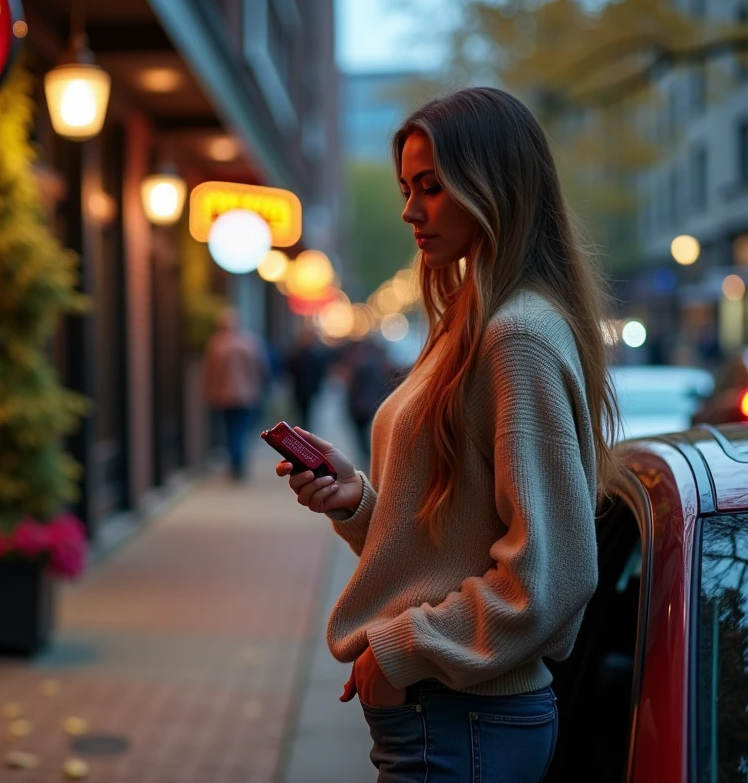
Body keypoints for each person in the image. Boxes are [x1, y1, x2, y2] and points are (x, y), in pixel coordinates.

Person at [274, 88, 620, 782]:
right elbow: (454, 538)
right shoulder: (474, 322)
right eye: (407, 187)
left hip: (463, 721)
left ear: (495, 184)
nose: (409, 210)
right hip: (450, 720)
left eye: (430, 187)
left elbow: (550, 575)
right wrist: (360, 504)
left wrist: (400, 650)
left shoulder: (515, 335)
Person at [203, 306, 270, 481]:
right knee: (241, 431)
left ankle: (235, 465)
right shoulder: (249, 342)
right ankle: (238, 465)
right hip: (247, 396)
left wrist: (209, 392)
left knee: (231, 431)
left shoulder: (216, 344)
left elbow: (209, 373)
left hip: (223, 397)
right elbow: (262, 368)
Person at [345, 339, 398, 457]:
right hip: (376, 404)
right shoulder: (383, 365)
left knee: (362, 434)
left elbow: (354, 388)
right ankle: (370, 454)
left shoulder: (361, 365)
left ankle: (367, 454)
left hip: (361, 406)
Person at [285, 325, 328, 429]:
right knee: (303, 412)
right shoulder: (304, 355)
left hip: (304, 389)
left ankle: (303, 430)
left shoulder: (300, 354)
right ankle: (303, 429)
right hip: (304, 389)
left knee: (304, 412)